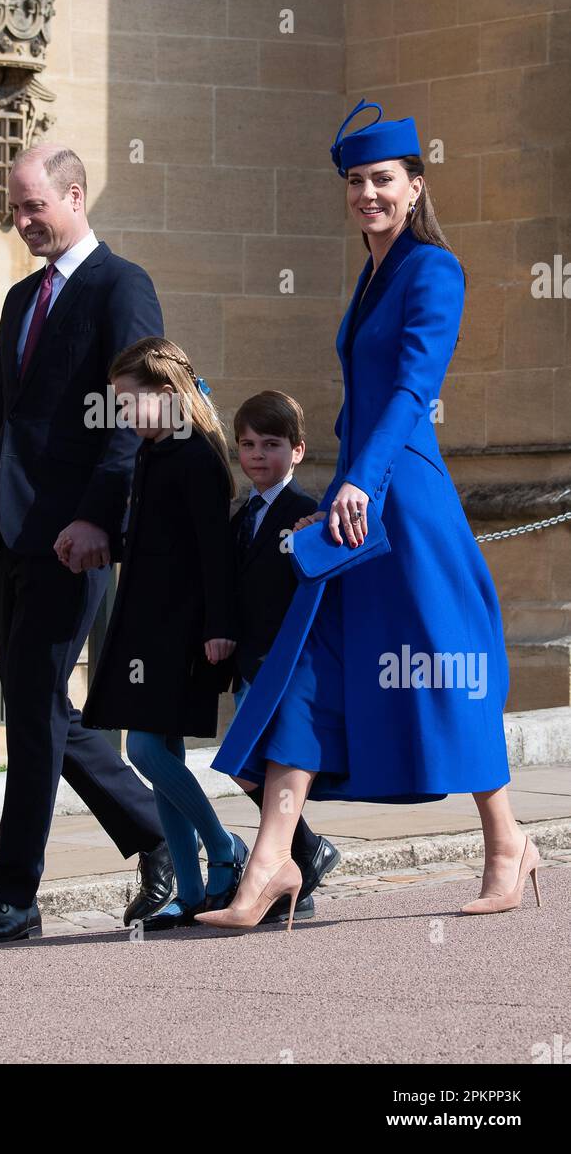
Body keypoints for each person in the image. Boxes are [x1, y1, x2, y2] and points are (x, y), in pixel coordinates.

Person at [197, 99, 538, 932]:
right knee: (307, 667)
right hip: (359, 495)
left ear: (416, 185)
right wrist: (350, 479)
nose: (367, 194)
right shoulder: (371, 274)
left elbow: (414, 389)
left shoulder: (434, 271)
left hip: (402, 500)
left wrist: (361, 481)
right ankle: (271, 863)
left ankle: (506, 843)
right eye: (355, 181)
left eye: (383, 179)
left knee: (443, 663)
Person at [0, 146, 174, 946]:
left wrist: (98, 518)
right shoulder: (19, 299)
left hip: (76, 540)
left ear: (75, 196)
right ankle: (164, 838)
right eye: (14, 208)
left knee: (33, 714)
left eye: (33, 206)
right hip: (11, 538)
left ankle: (14, 895)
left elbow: (137, 411)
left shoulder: (122, 284)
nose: (21, 221)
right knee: (42, 710)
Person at [81, 338, 245, 930]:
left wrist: (221, 626)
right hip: (143, 626)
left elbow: (212, 552)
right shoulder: (154, 453)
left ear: (167, 396)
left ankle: (225, 847)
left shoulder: (196, 456)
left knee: (147, 750)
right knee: (158, 755)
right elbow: (155, 539)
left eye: (129, 403)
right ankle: (192, 889)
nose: (121, 414)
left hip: (183, 630)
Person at [229, 390, 340, 921]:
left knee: (257, 762)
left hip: (286, 660)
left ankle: (297, 859)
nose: (257, 454)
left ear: (297, 450)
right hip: (249, 660)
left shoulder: (306, 514)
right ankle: (306, 854)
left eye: (271, 444)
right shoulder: (240, 516)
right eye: (247, 444)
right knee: (245, 767)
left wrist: (309, 538)